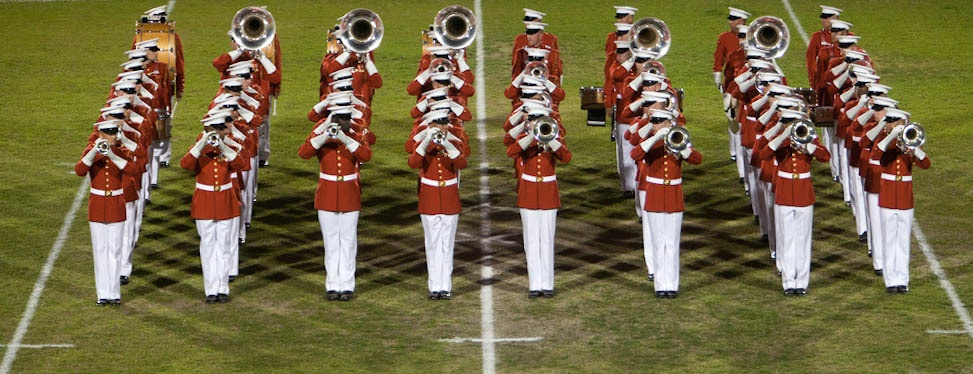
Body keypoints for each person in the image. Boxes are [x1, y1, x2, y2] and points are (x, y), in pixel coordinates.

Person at [299, 109, 372, 301]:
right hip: (327, 194)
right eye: (339, 120)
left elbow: (366, 155)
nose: (343, 124)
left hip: (349, 193)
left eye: (346, 120)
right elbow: (304, 153)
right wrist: (323, 134)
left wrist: (347, 139)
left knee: (348, 241)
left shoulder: (356, 136)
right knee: (331, 242)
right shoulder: (323, 137)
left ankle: (347, 285)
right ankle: (332, 285)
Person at [757, 109, 830, 296]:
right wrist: (781, 138)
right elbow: (763, 154)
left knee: (803, 239)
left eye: (793, 123)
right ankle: (789, 282)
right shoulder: (781, 141)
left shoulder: (808, 136)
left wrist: (809, 147)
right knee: (786, 238)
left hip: (804, 194)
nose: (792, 127)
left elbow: (825, 156)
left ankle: (802, 282)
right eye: (788, 123)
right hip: (784, 194)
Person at [630, 110, 701, 297]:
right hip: (654, 195)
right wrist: (655, 138)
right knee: (658, 241)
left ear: (669, 122)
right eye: (653, 120)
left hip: (673, 196)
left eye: (659, 121)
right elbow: (635, 154)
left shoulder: (679, 138)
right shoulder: (649, 141)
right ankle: (661, 285)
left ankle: (672, 284)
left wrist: (683, 149)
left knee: (672, 242)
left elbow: (697, 159)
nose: (655, 124)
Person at [181, 113, 247, 303]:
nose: (217, 133)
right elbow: (185, 164)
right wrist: (202, 143)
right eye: (213, 130)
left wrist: (224, 146)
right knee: (208, 245)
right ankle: (211, 289)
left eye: (220, 129)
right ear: (206, 130)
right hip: (205, 201)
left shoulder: (231, 147)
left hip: (225, 199)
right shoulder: (198, 150)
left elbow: (241, 164)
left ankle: (222, 288)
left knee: (224, 245)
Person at [507, 115, 572, 298]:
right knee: (531, 240)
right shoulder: (523, 139)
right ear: (528, 123)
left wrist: (551, 141)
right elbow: (511, 152)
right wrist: (531, 136)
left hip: (548, 193)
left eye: (539, 120)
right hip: (528, 193)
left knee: (547, 238)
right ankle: (534, 284)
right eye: (532, 120)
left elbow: (566, 157)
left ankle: (548, 283)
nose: (536, 123)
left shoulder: (555, 138)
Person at [407, 110, 469, 300]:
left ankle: (445, 286)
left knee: (447, 244)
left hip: (449, 198)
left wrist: (447, 142)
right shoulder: (422, 141)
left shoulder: (456, 140)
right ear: (429, 124)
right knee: (432, 244)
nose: (440, 127)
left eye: (443, 124)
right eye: (436, 124)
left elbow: (461, 163)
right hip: (430, 198)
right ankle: (435, 287)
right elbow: (413, 162)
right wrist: (426, 141)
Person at [77, 119, 139, 306]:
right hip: (97, 205)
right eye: (109, 133)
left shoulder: (122, 152)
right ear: (101, 134)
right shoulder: (91, 152)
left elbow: (132, 170)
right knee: (100, 250)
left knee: (115, 250)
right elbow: (80, 170)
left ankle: (114, 293)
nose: (113, 136)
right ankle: (102, 294)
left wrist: (111, 154)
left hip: (116, 205)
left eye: (114, 133)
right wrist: (95, 151)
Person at [871, 109, 930, 293]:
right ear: (889, 124)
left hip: (905, 198)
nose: (897, 126)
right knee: (889, 240)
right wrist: (891, 137)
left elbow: (926, 164)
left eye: (900, 123)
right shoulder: (884, 141)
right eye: (894, 123)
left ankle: (902, 280)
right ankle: (891, 280)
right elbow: (875, 155)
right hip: (888, 198)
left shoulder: (909, 142)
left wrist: (914, 147)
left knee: (903, 240)